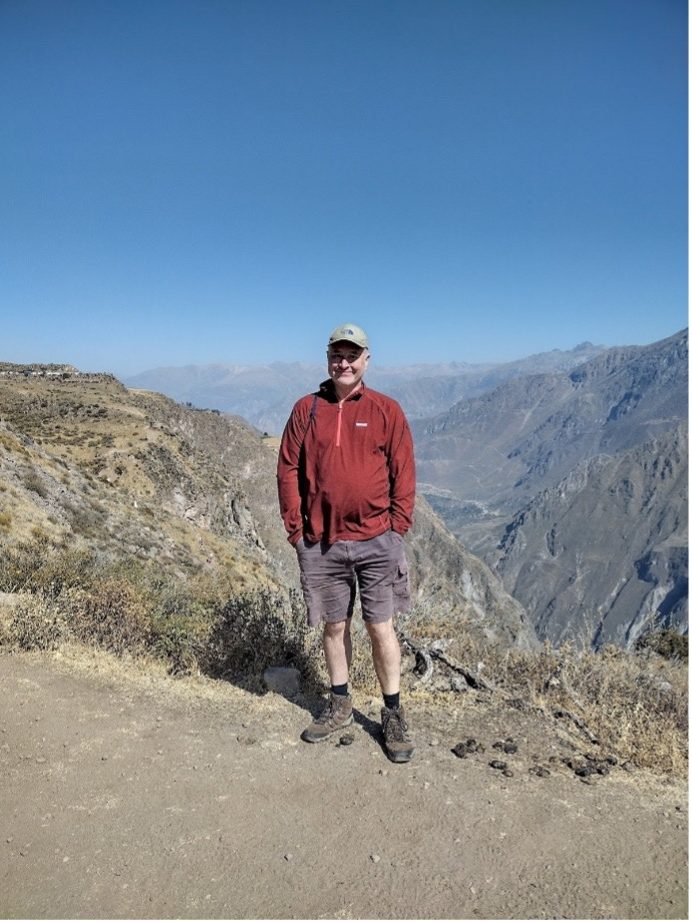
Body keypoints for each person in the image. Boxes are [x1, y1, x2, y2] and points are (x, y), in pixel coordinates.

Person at [277, 323, 416, 762]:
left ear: (366, 360)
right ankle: (340, 703)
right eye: (337, 354)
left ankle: (392, 713)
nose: (344, 362)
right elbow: (287, 470)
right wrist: (296, 530)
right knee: (334, 626)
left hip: (377, 541)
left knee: (381, 627)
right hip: (322, 543)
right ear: (327, 358)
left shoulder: (385, 410)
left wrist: (397, 528)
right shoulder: (307, 410)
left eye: (352, 355)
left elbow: (404, 470)